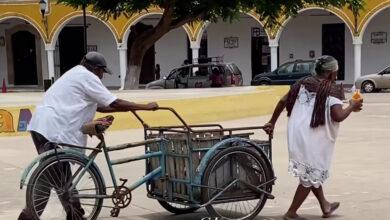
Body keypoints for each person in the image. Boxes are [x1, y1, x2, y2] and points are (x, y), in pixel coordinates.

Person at [18, 51, 158, 220]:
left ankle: (75, 215)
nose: (102, 76)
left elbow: (103, 106)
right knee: (52, 178)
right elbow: (114, 102)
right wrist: (145, 106)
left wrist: (129, 108)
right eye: (102, 72)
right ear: (95, 68)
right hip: (54, 129)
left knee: (61, 179)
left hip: (43, 126)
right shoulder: (87, 77)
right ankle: (28, 217)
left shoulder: (75, 73)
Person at [263, 56, 363, 220]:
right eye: (336, 72)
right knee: (310, 174)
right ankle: (291, 213)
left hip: (296, 133)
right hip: (314, 136)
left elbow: (282, 102)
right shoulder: (332, 89)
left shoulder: (302, 82)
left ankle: (325, 205)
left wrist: (272, 123)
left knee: (310, 171)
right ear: (331, 73)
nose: (337, 75)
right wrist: (352, 105)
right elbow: (338, 116)